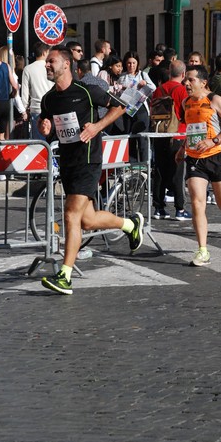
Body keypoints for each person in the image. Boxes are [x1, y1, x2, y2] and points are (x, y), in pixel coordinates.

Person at [38, 45, 144, 296]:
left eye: (51, 62)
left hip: (89, 160)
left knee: (71, 215)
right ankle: (130, 225)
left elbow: (120, 107)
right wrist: (45, 129)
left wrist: (97, 127)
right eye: (46, 63)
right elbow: (51, 128)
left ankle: (65, 275)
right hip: (67, 162)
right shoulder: (49, 98)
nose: (47, 65)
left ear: (66, 64)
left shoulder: (87, 91)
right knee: (87, 219)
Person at [175, 65, 221, 266]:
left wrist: (213, 141)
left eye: (191, 80)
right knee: (197, 202)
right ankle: (203, 250)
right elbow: (192, 128)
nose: (187, 84)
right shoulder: (186, 102)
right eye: (185, 80)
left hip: (217, 156)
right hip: (195, 159)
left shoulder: (215, 100)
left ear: (203, 82)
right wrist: (183, 148)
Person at [151, 59, 191, 221]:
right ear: (183, 74)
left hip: (160, 134)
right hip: (177, 135)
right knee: (178, 173)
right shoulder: (182, 90)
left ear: (169, 72)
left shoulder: (159, 89)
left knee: (159, 171)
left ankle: (159, 207)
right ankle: (180, 209)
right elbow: (186, 113)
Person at [119, 50, 156, 160]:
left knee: (142, 138)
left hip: (140, 109)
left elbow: (153, 87)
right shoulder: (122, 77)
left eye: (134, 63)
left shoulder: (143, 75)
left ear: (137, 63)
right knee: (129, 137)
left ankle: (144, 165)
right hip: (127, 109)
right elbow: (119, 91)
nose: (131, 66)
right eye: (129, 63)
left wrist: (145, 84)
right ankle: (132, 164)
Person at [21, 41, 54, 140]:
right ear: (45, 53)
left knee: (39, 142)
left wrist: (24, 109)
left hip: (36, 108)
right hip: (52, 107)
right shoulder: (51, 67)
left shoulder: (28, 69)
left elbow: (24, 93)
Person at [0, 46, 27, 139]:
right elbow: (16, 96)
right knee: (5, 137)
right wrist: (23, 111)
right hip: (7, 108)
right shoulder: (11, 73)